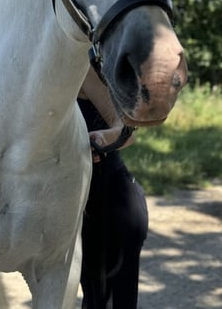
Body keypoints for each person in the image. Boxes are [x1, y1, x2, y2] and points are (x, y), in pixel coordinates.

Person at [78, 69, 149, 309]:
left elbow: (125, 130)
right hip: (71, 204)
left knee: (113, 302)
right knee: (93, 298)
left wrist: (101, 139)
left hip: (111, 202)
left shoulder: (84, 71)